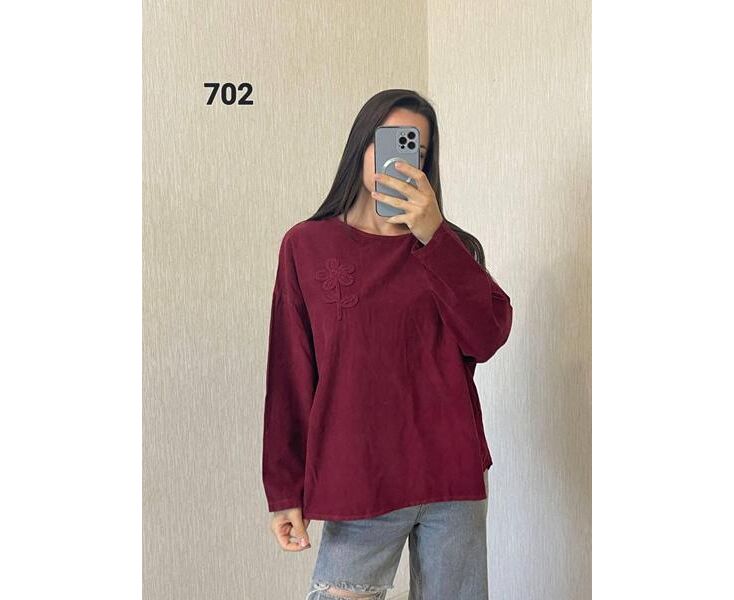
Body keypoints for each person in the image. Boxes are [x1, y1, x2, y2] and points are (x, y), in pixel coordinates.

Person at [261, 89, 513, 599]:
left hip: (451, 474)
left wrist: (433, 234)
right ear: (362, 145)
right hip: (360, 471)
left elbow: (486, 337)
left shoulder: (454, 248)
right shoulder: (307, 246)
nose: (400, 158)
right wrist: (285, 489)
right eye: (390, 140)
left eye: (415, 148)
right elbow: (290, 374)